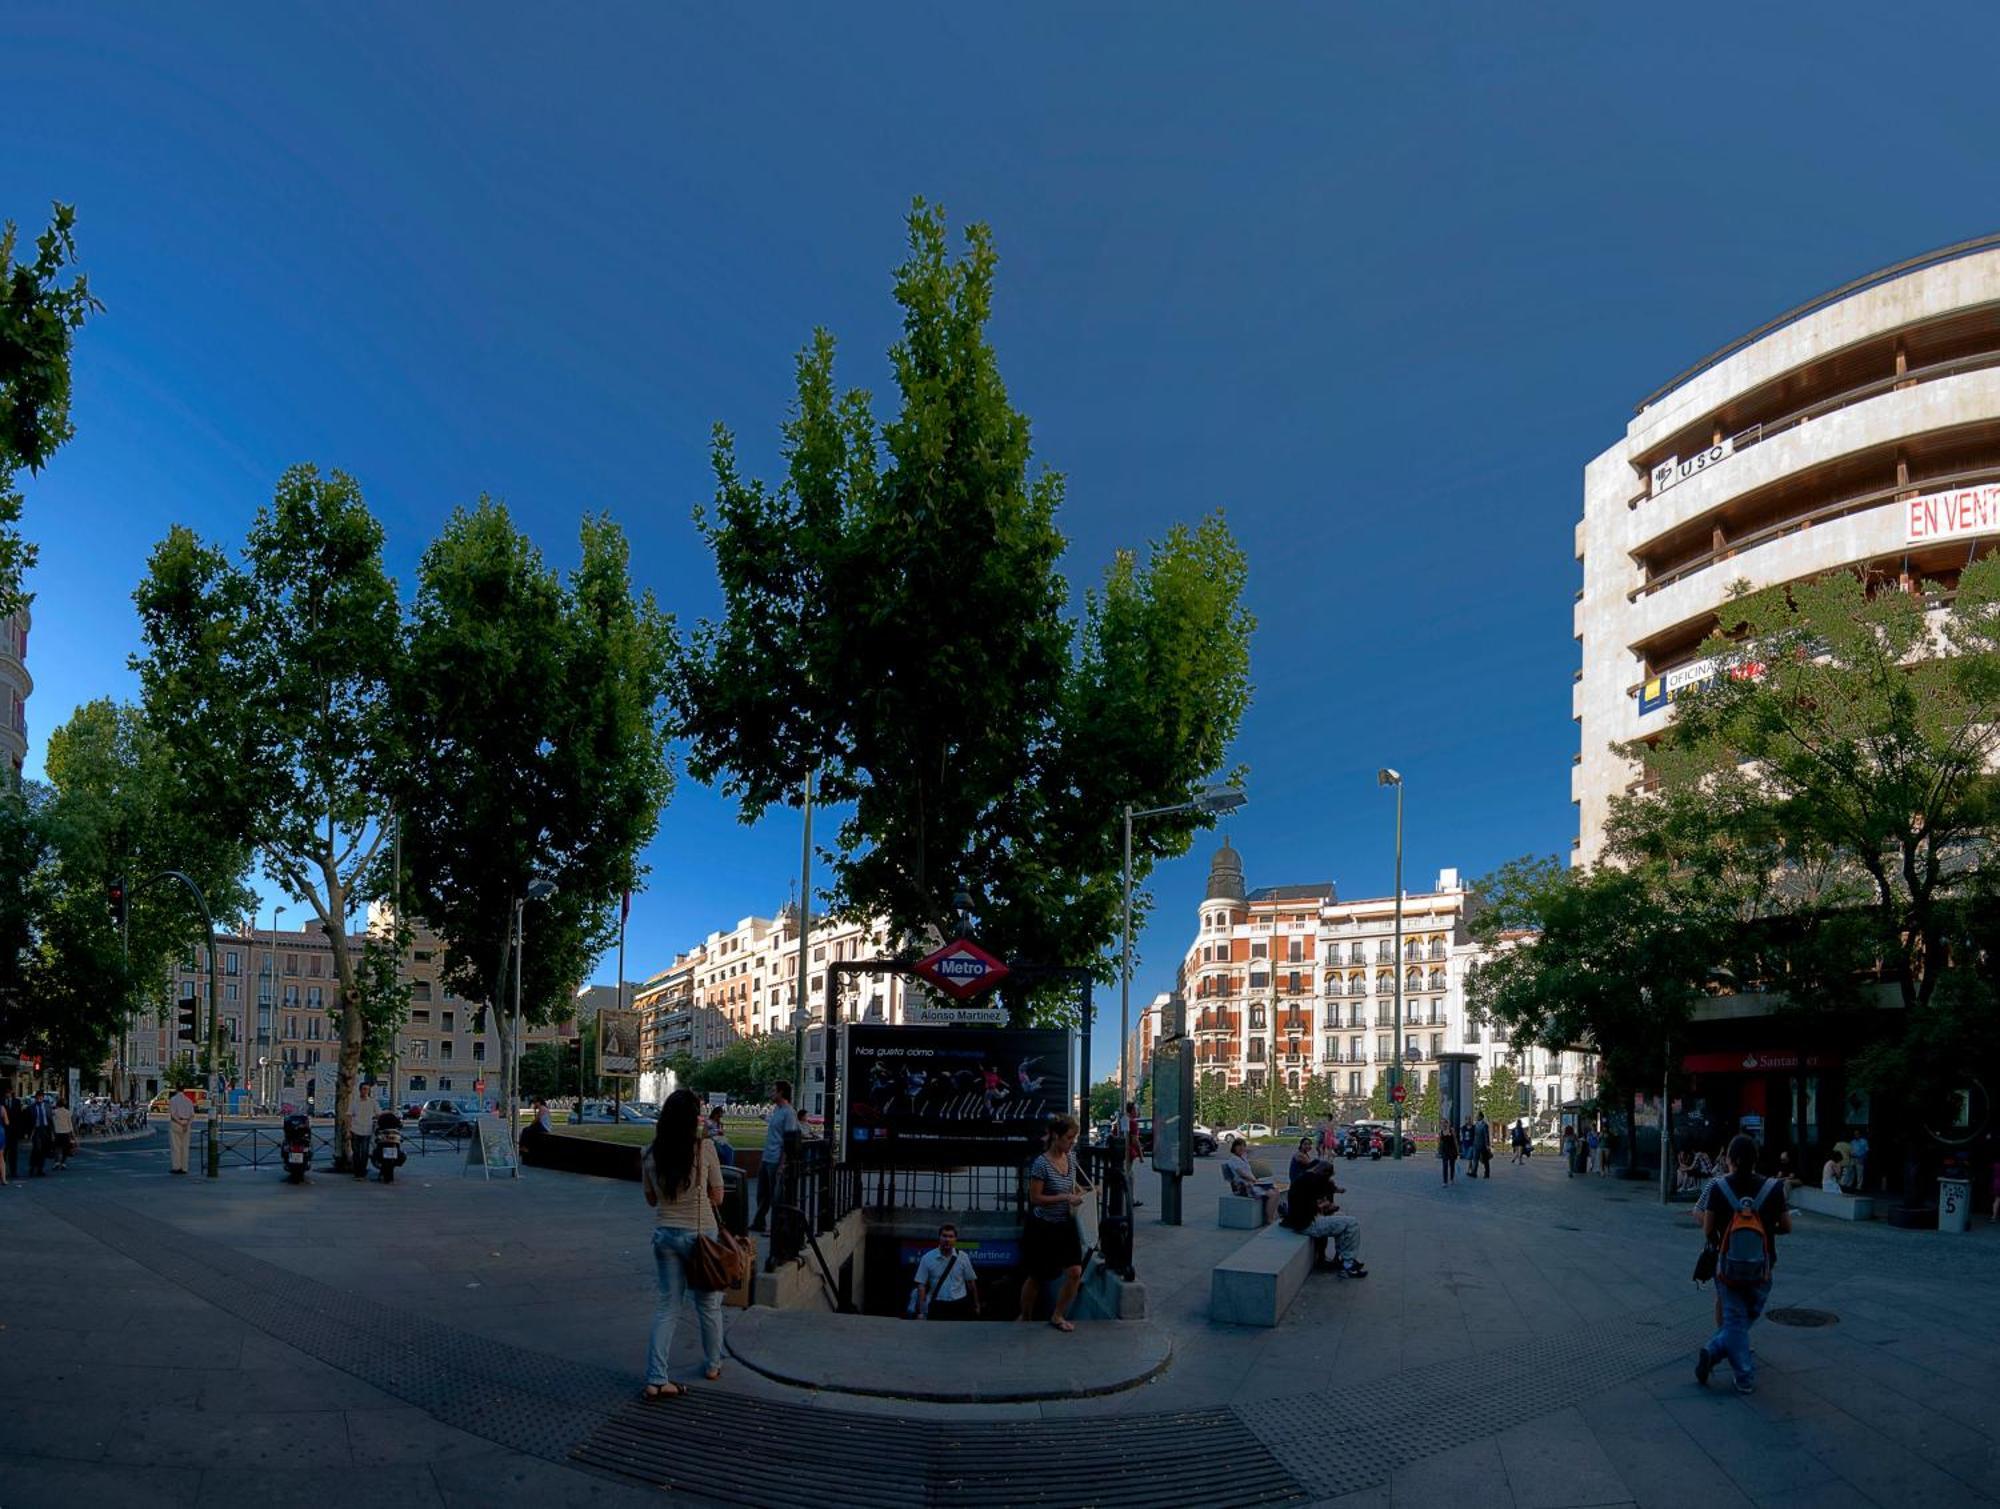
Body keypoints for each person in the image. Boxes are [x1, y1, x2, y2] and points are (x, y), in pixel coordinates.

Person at [640, 1088, 726, 1398]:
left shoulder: (648, 1153)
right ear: (693, 1119)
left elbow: (651, 1200)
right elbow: (718, 1196)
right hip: (701, 1236)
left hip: (665, 1235)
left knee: (667, 1307)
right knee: (708, 1304)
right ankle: (714, 1364)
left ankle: (656, 1378)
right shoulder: (705, 1149)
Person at [1696, 1133, 1789, 1396]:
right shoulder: (1774, 1188)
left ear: (1730, 1160)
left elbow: (1707, 1229)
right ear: (1755, 1159)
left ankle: (1715, 1353)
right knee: (1747, 1315)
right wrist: (1764, 1228)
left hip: (1727, 1266)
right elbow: (1787, 1226)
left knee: (1735, 1318)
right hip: (1763, 1265)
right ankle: (1742, 1374)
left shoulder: (1718, 1187)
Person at [1019, 1115, 1087, 1332]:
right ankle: (1026, 1316)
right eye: (1069, 1138)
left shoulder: (1071, 1158)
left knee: (1075, 1271)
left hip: (1064, 1225)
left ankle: (1057, 1315)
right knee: (1038, 1276)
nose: (1072, 1142)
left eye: (1074, 1138)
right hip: (1043, 1227)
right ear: (1056, 1137)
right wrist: (1065, 1197)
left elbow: (1072, 1188)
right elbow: (1036, 1198)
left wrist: (1087, 1193)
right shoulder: (1041, 1163)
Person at [1281, 1158, 1366, 1276]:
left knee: (1342, 1219)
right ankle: (1348, 1265)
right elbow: (1322, 1205)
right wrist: (1328, 1206)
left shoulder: (1304, 1178)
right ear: (1324, 1173)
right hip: (1308, 1224)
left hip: (1302, 1221)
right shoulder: (1315, 1180)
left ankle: (1344, 1259)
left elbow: (1312, 1204)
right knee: (1352, 1223)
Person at [750, 1080, 800, 1235]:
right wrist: (765, 1117)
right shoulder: (777, 1110)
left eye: (773, 1090)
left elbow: (788, 1139)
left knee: (776, 1195)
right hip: (767, 1157)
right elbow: (774, 1126)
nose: (771, 1093)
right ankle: (759, 1223)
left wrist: (782, 1164)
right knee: (762, 1193)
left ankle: (776, 1226)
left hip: (776, 1159)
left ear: (781, 1093)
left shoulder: (789, 1112)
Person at [913, 1223, 981, 1320]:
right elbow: (921, 1286)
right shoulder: (927, 1258)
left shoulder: (963, 1257)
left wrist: (976, 1304)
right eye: (944, 1236)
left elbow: (971, 1283)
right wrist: (921, 1311)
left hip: (959, 1304)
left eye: (950, 1236)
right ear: (939, 1238)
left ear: (955, 1239)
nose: (947, 1240)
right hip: (938, 1305)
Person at [348, 1082, 375, 1179]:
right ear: (360, 1090)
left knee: (364, 1152)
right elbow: (349, 1116)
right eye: (363, 1089)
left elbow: (379, 1112)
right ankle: (356, 1173)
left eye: (367, 1089)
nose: (365, 1091)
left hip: (367, 1130)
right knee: (356, 1153)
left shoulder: (372, 1102)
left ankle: (362, 1173)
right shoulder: (354, 1102)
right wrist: (348, 1130)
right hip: (355, 1130)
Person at [167, 1087, 195, 1174]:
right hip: (187, 1123)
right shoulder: (189, 1100)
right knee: (185, 1146)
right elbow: (192, 1115)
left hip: (176, 1123)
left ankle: (176, 1167)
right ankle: (184, 1167)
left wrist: (180, 1123)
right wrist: (186, 1124)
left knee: (176, 1146)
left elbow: (172, 1114)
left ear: (176, 1089)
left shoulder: (173, 1100)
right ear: (183, 1090)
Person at [1125, 1100, 1144, 1209]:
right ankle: (1130, 1199)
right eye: (1136, 1109)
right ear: (1132, 1111)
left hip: (1122, 1152)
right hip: (1128, 1153)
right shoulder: (1132, 1122)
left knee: (1127, 1174)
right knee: (1129, 1176)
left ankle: (1127, 1199)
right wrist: (1141, 1155)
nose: (1137, 1111)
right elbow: (1134, 1140)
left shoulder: (1123, 1120)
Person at [27, 1092, 52, 1176]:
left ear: (43, 1098)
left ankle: (40, 1169)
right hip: (36, 1130)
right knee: (37, 1149)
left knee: (43, 1149)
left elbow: (50, 1119)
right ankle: (33, 1166)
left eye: (41, 1097)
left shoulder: (47, 1106)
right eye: (37, 1098)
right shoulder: (32, 1107)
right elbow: (29, 1121)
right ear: (35, 1098)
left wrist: (52, 1132)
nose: (39, 1099)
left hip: (45, 1129)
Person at [51, 1096, 73, 1170]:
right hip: (66, 1132)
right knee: (65, 1149)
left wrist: (52, 1132)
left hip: (57, 1132)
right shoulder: (67, 1112)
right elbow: (70, 1124)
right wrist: (73, 1135)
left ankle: (56, 1162)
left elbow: (53, 1122)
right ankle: (63, 1163)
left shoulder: (54, 1112)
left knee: (57, 1148)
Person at [1472, 1111, 1493, 1178]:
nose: (1476, 1117)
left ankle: (1487, 1173)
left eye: (1477, 1116)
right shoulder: (1475, 1125)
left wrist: (1487, 1145)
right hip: (1476, 1144)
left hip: (1483, 1145)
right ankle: (1474, 1172)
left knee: (1485, 1160)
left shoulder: (1485, 1125)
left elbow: (1486, 1135)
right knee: (1475, 1159)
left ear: (1481, 1117)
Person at [1438, 1120, 1459, 1185]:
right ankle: (1445, 1181)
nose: (1443, 1124)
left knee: (1452, 1165)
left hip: (1452, 1150)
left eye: (1444, 1123)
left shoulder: (1451, 1130)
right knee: (1445, 1165)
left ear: (1447, 1123)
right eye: (1442, 1123)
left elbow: (1455, 1140)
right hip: (1444, 1150)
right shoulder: (1441, 1132)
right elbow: (1440, 1142)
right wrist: (1439, 1149)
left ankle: (1451, 1178)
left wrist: (1457, 1150)